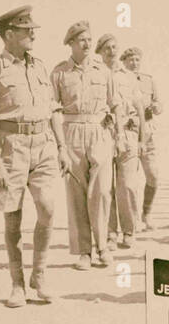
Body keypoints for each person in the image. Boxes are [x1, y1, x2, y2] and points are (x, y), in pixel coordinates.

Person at [0, 7, 68, 307]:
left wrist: (62, 146)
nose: (33, 34)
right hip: (11, 148)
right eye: (27, 30)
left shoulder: (40, 67)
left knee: (48, 208)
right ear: (9, 34)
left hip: (42, 145)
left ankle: (39, 277)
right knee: (12, 220)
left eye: (33, 29)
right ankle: (17, 285)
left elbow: (53, 109)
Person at [52, 21, 120, 270]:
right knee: (77, 194)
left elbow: (115, 105)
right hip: (71, 134)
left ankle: (102, 246)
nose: (88, 43)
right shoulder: (59, 73)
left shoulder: (103, 71)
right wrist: (60, 146)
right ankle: (84, 251)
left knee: (101, 192)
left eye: (89, 39)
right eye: (81, 39)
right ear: (70, 43)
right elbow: (53, 111)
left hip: (100, 131)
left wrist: (118, 133)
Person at [97, 33, 142, 251]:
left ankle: (129, 231)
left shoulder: (129, 77)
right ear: (100, 52)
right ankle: (110, 234)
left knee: (128, 186)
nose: (112, 51)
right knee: (106, 188)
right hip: (105, 134)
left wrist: (142, 138)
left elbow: (139, 107)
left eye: (115, 47)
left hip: (128, 135)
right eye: (107, 48)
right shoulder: (96, 74)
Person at [122, 46, 162, 230]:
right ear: (124, 62)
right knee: (129, 181)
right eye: (130, 59)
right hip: (128, 131)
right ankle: (132, 219)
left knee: (153, 176)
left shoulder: (149, 80)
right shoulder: (119, 79)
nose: (134, 63)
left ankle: (147, 214)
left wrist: (157, 107)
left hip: (147, 133)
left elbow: (159, 103)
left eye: (137, 59)